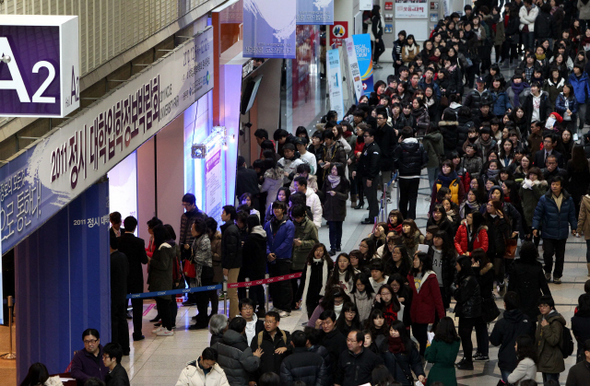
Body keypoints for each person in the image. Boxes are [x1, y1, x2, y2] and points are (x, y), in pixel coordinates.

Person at [532, 176, 578, 284]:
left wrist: (574, 227)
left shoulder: (568, 199)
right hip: (548, 231)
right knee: (547, 253)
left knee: (560, 256)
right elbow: (537, 214)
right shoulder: (544, 198)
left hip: (562, 232)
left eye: (557, 184)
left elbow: (572, 214)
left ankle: (557, 275)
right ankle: (547, 271)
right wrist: (535, 227)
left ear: (561, 186)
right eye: (553, 184)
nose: (554, 186)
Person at [489, 291, 534, 383]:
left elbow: (494, 341)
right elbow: (533, 338)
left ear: (505, 305)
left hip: (506, 361)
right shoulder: (527, 320)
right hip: (524, 359)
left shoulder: (501, 323)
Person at [407, 252, 445, 357]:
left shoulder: (431, 276)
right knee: (415, 332)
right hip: (413, 310)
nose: (414, 262)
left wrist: (442, 316)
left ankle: (423, 353)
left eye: (416, 260)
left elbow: (437, 298)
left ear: (422, 262)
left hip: (426, 311)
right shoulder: (410, 275)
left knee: (423, 334)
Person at [117, 216, 148, 341]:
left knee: (122, 307)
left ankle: (121, 334)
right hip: (136, 277)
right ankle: (137, 333)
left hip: (122, 277)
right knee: (137, 306)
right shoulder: (139, 242)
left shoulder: (118, 241)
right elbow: (144, 260)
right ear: (135, 227)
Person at [452, 255, 484, 370]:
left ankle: (468, 360)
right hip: (467, 311)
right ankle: (466, 358)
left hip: (469, 312)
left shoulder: (469, 279)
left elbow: (461, 296)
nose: (456, 267)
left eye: (457, 264)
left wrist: (454, 289)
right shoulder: (465, 277)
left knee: (465, 336)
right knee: (464, 335)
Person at [264, 201, 296, 317]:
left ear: (283, 210)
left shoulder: (289, 224)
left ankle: (286, 307)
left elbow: (288, 242)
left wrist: (275, 253)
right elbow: (265, 240)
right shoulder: (268, 224)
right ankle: (277, 305)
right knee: (274, 284)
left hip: (283, 258)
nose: (276, 210)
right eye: (274, 208)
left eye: (279, 208)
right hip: (271, 259)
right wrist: (268, 253)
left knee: (284, 284)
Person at [211, 317, 262, 386]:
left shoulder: (218, 342)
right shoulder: (243, 348)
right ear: (244, 329)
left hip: (221, 380)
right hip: (238, 382)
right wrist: (256, 357)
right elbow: (251, 366)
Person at [393, 126, 428, 220]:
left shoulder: (400, 147)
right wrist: (418, 167)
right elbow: (425, 160)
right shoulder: (419, 146)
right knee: (413, 197)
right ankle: (412, 216)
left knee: (403, 197)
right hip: (415, 175)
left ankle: (403, 216)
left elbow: (395, 160)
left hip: (403, 175)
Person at [149, 224, 175, 336]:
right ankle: (164, 325)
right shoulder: (163, 246)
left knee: (164, 305)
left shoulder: (164, 247)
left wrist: (151, 260)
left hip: (163, 281)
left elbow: (163, 265)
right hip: (160, 281)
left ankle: (168, 328)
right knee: (161, 304)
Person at [188, 218, 214, 330]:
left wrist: (191, 258)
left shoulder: (205, 240)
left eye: (193, 228)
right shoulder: (197, 239)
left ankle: (203, 321)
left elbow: (201, 257)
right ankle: (201, 316)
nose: (191, 230)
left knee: (203, 298)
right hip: (198, 272)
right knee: (199, 298)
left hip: (205, 272)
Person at [296, 243, 334, 318]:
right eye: (316, 250)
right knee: (312, 318)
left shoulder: (328, 264)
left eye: (320, 250)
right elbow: (303, 282)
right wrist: (298, 297)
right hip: (310, 296)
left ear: (324, 252)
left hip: (323, 296)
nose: (318, 252)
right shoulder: (308, 264)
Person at [535, 295, 566, 384]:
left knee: (551, 383)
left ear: (551, 307)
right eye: (540, 306)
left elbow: (553, 341)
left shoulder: (555, 322)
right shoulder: (542, 318)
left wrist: (546, 327)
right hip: (545, 359)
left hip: (552, 361)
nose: (542, 308)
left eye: (545, 306)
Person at [320, 163, 350, 254]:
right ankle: (332, 247)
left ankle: (338, 244)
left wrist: (337, 194)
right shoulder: (327, 180)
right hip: (329, 207)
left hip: (339, 208)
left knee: (338, 227)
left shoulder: (344, 181)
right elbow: (323, 193)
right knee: (332, 228)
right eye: (332, 169)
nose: (333, 171)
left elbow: (345, 196)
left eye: (336, 170)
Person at [251, 311, 291, 376]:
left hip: (281, 376)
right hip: (264, 377)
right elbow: (252, 359)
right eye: (266, 321)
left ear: (277, 323)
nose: (267, 324)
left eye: (270, 322)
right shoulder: (258, 338)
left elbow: (294, 348)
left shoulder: (285, 335)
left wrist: (286, 348)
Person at [355, 128, 381, 224]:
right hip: (365, 175)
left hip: (371, 177)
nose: (364, 138)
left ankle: (373, 217)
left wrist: (370, 178)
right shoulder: (367, 147)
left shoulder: (374, 149)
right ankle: (371, 215)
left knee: (372, 197)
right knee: (370, 198)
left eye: (366, 136)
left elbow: (374, 165)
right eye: (364, 136)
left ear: (372, 137)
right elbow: (362, 161)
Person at [425, 316, 460, 386]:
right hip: (450, 373)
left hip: (437, 372)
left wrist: (428, 347)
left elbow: (430, 358)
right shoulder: (457, 341)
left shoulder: (436, 341)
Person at [109, 240, 129, 355]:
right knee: (122, 320)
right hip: (122, 293)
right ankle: (125, 347)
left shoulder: (110, 260)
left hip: (113, 294)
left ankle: (115, 348)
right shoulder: (123, 256)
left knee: (114, 322)